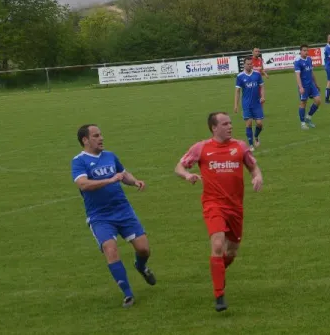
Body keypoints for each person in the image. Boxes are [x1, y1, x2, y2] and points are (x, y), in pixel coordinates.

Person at [174, 112, 263, 312]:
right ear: (214, 128)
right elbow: (179, 166)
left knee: (231, 251)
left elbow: (254, 168)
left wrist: (257, 177)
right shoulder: (201, 148)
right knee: (217, 243)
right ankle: (219, 295)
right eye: (225, 124)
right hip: (213, 204)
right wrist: (187, 175)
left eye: (230, 123)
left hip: (235, 207)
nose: (230, 127)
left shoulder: (239, 146)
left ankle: (218, 271)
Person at [71, 124, 156, 308]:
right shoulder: (79, 161)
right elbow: (83, 184)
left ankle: (141, 266)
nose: (101, 138)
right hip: (99, 216)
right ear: (85, 140)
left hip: (123, 211)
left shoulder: (110, 156)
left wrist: (134, 181)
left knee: (143, 250)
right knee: (111, 249)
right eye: (96, 136)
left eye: (101, 134)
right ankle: (128, 294)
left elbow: (123, 174)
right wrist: (109, 180)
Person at [234, 57, 265, 151]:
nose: (250, 65)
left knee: (259, 123)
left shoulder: (257, 74)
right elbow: (237, 91)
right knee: (249, 123)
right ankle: (251, 144)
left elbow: (262, 86)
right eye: (248, 64)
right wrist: (236, 105)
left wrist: (263, 96)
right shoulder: (240, 76)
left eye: (251, 64)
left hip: (256, 103)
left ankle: (256, 136)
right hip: (246, 103)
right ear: (244, 64)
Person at [294, 44, 322, 130]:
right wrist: (301, 87)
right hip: (304, 86)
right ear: (300, 51)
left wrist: (316, 84)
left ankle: (308, 117)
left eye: (307, 50)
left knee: (318, 100)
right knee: (303, 103)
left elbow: (311, 72)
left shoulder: (309, 59)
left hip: (311, 85)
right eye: (304, 50)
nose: (306, 52)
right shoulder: (297, 61)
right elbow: (297, 75)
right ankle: (302, 123)